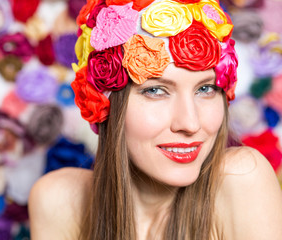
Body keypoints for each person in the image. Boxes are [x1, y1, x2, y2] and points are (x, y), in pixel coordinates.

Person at [28, 0, 282, 239]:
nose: (190, 124)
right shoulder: (57, 200)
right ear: (105, 105)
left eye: (205, 89)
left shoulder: (241, 178)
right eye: (155, 90)